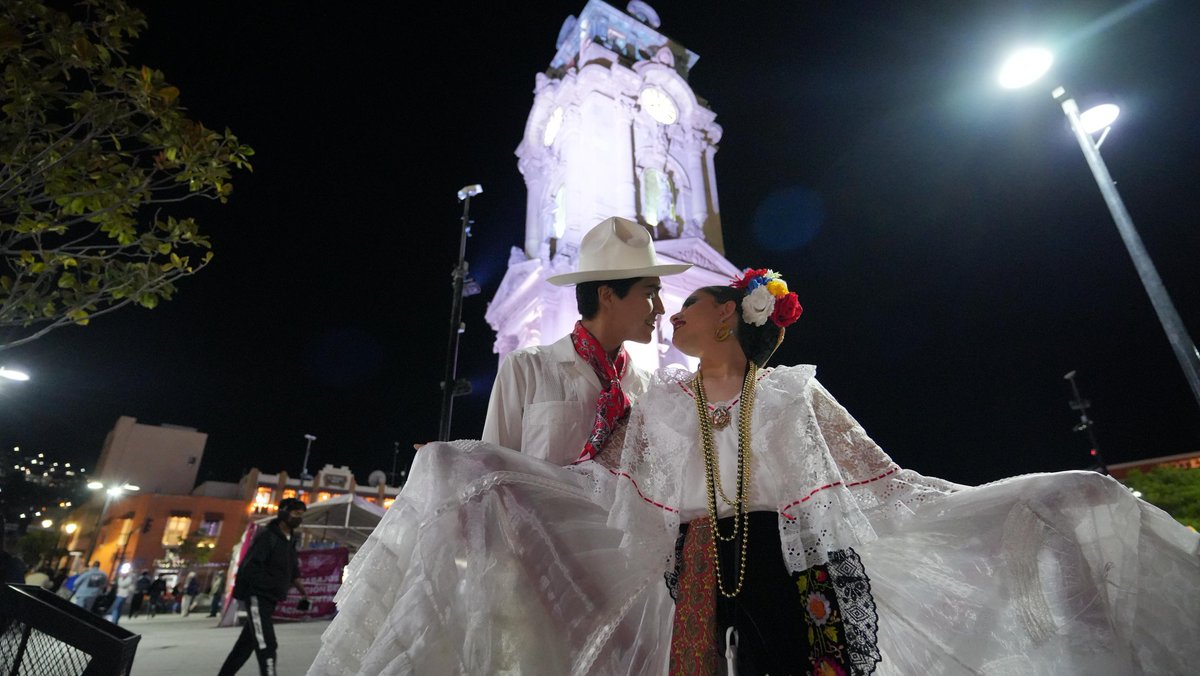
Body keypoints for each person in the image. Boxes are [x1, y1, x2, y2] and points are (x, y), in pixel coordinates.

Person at [309, 268, 1200, 675]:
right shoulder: (659, 403)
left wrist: (1023, 496)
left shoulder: (796, 397)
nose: (671, 313)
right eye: (662, 299)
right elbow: (597, 480)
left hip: (797, 557)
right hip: (697, 559)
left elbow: (883, 481)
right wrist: (478, 471)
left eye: (688, 303)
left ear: (729, 319)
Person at [482, 214, 690, 464]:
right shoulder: (526, 369)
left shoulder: (646, 388)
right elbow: (492, 468)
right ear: (607, 295)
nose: (660, 308)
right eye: (650, 293)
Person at [218, 498, 310, 676]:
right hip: (257, 598)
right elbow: (250, 568)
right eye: (296, 513)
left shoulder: (289, 541)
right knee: (266, 644)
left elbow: (293, 573)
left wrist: (304, 594)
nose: (299, 518)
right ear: (283, 513)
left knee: (245, 646)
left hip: (271, 599)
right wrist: (268, 584)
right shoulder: (268, 537)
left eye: (301, 515)